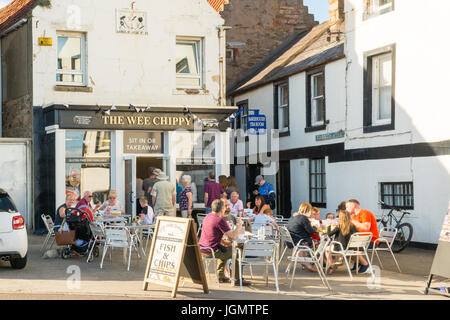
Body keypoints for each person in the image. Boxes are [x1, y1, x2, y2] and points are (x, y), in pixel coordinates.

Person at [198, 199, 248, 285]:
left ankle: (220, 276)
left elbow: (212, 234)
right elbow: (233, 236)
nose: (226, 209)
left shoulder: (207, 216)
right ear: (221, 209)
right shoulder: (219, 220)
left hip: (203, 249)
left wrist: (225, 242)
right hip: (212, 251)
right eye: (225, 207)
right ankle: (237, 279)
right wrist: (239, 225)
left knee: (225, 249)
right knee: (237, 251)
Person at [326, 210, 370, 274]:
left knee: (327, 249)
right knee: (349, 254)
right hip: (350, 247)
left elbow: (329, 234)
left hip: (342, 248)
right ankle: (360, 263)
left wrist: (328, 226)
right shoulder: (352, 226)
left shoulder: (339, 226)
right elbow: (357, 234)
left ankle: (332, 265)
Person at [287, 203, 318, 272]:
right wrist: (315, 227)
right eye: (310, 211)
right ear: (308, 210)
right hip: (299, 241)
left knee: (314, 241)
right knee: (317, 242)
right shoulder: (303, 218)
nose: (311, 213)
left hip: (291, 240)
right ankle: (311, 261)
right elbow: (311, 231)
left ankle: (308, 261)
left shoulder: (294, 217)